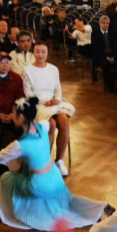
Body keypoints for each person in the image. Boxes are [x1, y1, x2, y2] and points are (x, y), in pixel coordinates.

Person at [0, 97, 106, 231]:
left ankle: (22, 213)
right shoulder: (43, 126)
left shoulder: (20, 145)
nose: (12, 115)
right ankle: (98, 208)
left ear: (20, 118)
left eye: (13, 113)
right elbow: (46, 123)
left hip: (39, 184)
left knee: (7, 178)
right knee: (69, 200)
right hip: (55, 177)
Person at [21, 44, 74, 175]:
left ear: (47, 53)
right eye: (37, 52)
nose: (40, 55)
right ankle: (45, 161)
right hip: (37, 104)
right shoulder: (27, 70)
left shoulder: (53, 69)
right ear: (34, 53)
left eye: (43, 52)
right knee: (51, 124)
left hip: (53, 102)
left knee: (63, 121)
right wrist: (45, 102)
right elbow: (28, 93)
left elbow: (58, 88)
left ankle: (59, 161)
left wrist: (56, 99)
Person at [91, 16, 115, 86]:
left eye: (107, 23)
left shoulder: (112, 33)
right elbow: (96, 49)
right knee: (106, 64)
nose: (106, 25)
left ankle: (115, 85)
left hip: (111, 54)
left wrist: (113, 56)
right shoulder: (95, 34)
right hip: (100, 56)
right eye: (104, 23)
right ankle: (107, 85)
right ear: (100, 24)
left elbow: (115, 47)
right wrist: (106, 57)